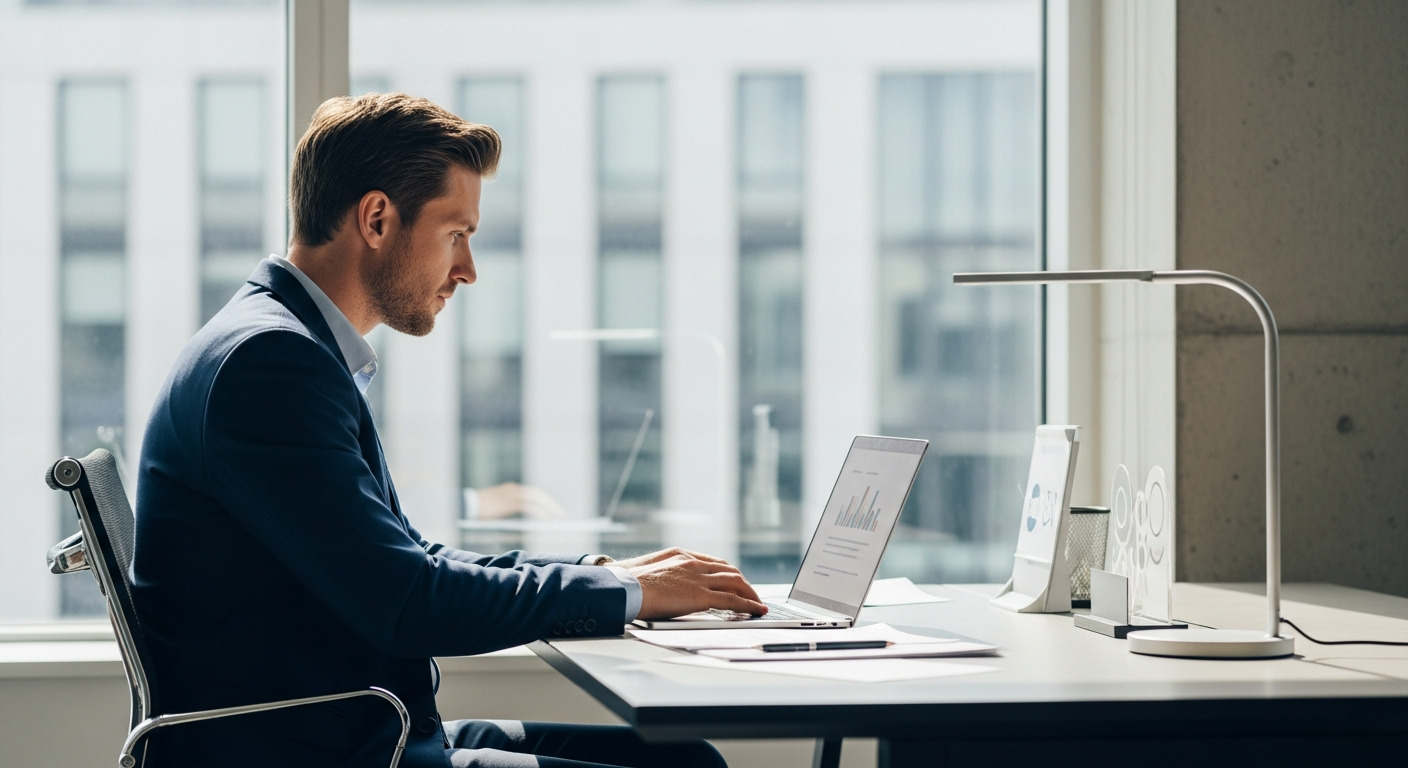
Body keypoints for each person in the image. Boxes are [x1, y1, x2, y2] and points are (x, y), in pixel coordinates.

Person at [133, 92, 768, 768]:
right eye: (455, 234)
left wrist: (604, 574)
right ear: (376, 219)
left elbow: (409, 559)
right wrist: (628, 596)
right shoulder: (270, 364)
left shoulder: (282, 345)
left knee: (683, 759)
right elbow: (408, 602)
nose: (466, 270)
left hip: (361, 731)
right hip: (331, 750)